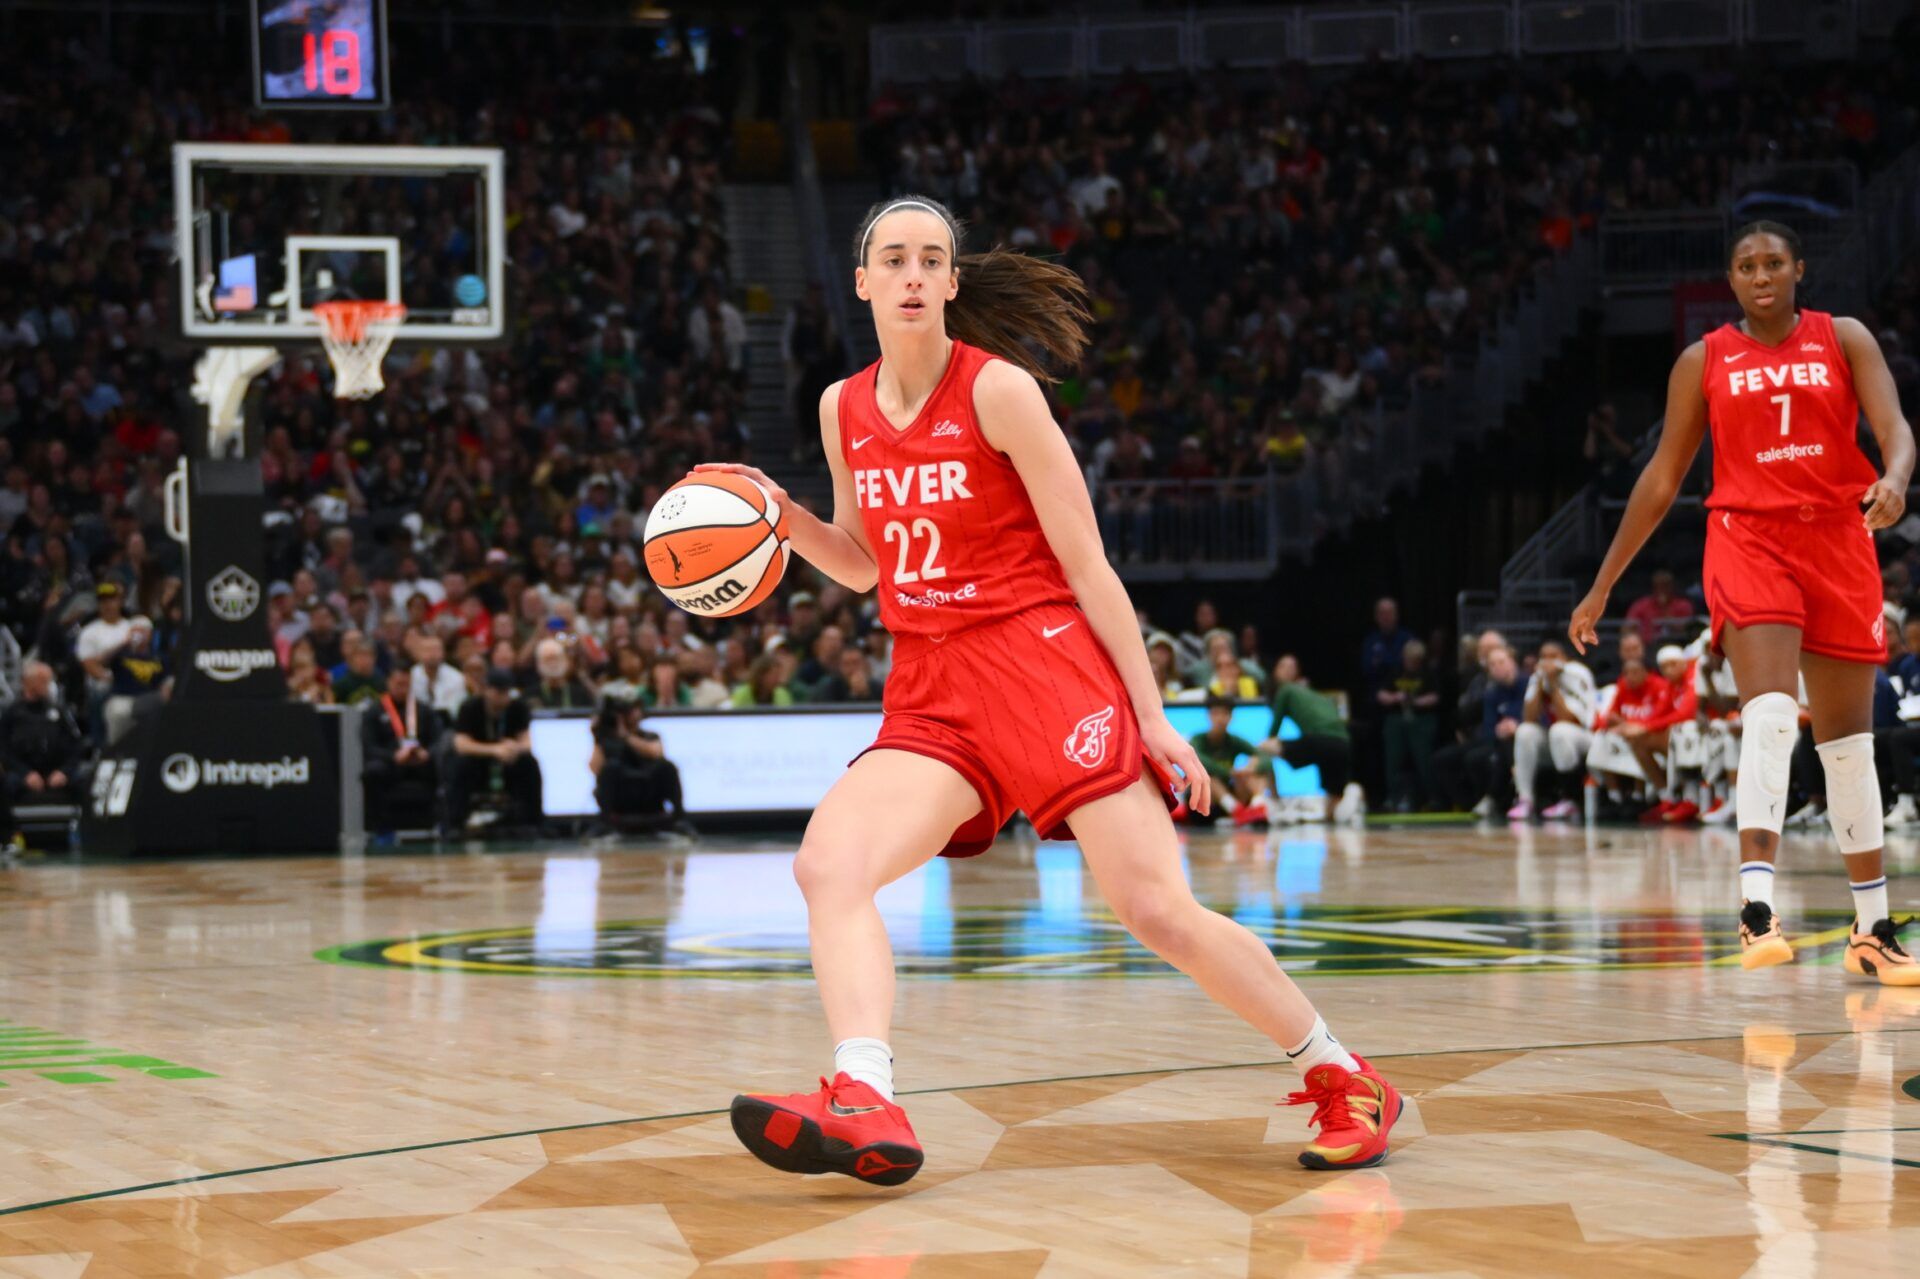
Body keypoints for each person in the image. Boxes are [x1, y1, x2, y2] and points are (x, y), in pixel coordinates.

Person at [702, 195, 1402, 1188]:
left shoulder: (1000, 393)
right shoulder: (840, 406)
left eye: (929, 259)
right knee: (830, 866)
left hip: (1042, 662)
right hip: (931, 682)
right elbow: (864, 565)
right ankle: (864, 1090)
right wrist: (776, 515)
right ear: (861, 283)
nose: (910, 274)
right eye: (891, 259)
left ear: (951, 282)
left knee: (1157, 909)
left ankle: (1343, 1072)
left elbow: (1088, 561)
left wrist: (1152, 714)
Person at [1570, 220, 1919, 983]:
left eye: (1772, 263)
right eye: (1744, 266)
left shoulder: (1845, 337)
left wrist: (1893, 480)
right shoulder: (1704, 360)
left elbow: (1896, 430)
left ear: (1797, 269)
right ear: (1730, 280)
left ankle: (1872, 929)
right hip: (1749, 536)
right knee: (1766, 712)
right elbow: (1662, 478)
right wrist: (1602, 583)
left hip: (1839, 537)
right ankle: (1756, 909)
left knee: (1848, 747)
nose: (1760, 275)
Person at [1259, 654, 1362, 825]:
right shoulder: (1315, 694)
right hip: (1343, 742)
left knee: (1264, 747)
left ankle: (1275, 805)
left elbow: (1273, 732)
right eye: (1283, 666)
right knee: (1333, 806)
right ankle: (1351, 797)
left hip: (1320, 740)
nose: (1287, 670)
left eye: (1291, 666)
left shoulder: (1285, 690)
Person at [0, 660, 86, 847]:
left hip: (57, 772)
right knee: (5, 784)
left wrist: (64, 771)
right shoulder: (12, 713)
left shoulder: (59, 711)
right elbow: (4, 750)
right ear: (30, 683)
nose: (49, 686)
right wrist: (25, 773)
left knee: (86, 782)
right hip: (23, 773)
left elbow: (76, 746)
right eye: (45, 681)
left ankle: (87, 833)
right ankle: (10, 837)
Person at [1508, 640, 1596, 822]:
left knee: (1560, 729)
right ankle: (1525, 799)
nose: (1547, 662)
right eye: (1544, 657)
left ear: (1564, 658)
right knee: (1525, 731)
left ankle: (1568, 799)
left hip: (1586, 739)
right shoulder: (1538, 676)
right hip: (1557, 741)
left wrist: (1554, 685)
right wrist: (1541, 683)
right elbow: (1529, 717)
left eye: (1553, 656)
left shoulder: (1577, 673)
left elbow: (1570, 718)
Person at [447, 669, 543, 832]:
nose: (503, 697)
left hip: (508, 758)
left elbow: (527, 742)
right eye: (499, 692)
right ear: (487, 690)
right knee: (460, 765)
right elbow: (461, 744)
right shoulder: (470, 707)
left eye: (506, 692)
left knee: (529, 764)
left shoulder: (518, 707)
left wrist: (515, 747)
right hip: (479, 758)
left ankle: (532, 822)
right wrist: (493, 750)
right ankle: (455, 823)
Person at [589, 696, 692, 833]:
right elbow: (594, 769)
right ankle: (604, 823)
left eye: (634, 709)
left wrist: (625, 736)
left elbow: (656, 753)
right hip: (622, 797)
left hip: (649, 795)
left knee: (667, 766)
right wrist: (597, 737)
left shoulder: (650, 736)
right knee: (610, 768)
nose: (633, 714)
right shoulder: (606, 740)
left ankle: (680, 819)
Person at [362, 666, 442, 833]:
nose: (402, 688)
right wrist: (393, 756)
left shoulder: (423, 710)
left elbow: (438, 739)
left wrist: (426, 753)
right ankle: (378, 829)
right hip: (391, 763)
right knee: (373, 772)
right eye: (398, 684)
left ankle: (439, 824)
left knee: (443, 767)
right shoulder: (374, 711)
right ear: (389, 683)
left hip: (420, 762)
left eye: (406, 684)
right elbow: (369, 746)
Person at [1378, 638, 1439, 812]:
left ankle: (1431, 797)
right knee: (1393, 761)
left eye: (1416, 660)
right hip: (1396, 719)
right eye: (1409, 659)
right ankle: (1392, 798)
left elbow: (1436, 696)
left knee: (1424, 760)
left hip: (1421, 721)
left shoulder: (1427, 672)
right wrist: (1395, 698)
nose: (1412, 663)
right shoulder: (1395, 671)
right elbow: (1381, 694)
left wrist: (1416, 701)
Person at [1625, 569, 1695, 647]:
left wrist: (1664, 610)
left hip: (1677, 646)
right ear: (1653, 587)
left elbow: (1686, 630)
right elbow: (1627, 627)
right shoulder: (1641, 605)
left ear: (1672, 586)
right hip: (1647, 646)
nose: (1661, 590)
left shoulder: (1684, 605)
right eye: (1658, 586)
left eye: (1665, 586)